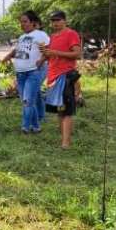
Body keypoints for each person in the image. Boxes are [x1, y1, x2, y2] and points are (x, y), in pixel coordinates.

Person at [1, 10, 50, 134]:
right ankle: (36, 126)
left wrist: (42, 59)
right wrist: (7, 56)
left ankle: (25, 127)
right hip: (20, 73)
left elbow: (48, 50)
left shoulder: (40, 35)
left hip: (33, 72)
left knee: (27, 101)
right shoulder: (22, 37)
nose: (22, 24)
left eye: (25, 21)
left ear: (33, 22)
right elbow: (17, 51)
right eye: (21, 22)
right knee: (27, 100)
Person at [41, 10, 81, 149]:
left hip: (65, 76)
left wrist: (54, 52)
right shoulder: (52, 37)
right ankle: (63, 136)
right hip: (52, 77)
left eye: (58, 20)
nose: (55, 23)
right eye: (53, 20)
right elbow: (50, 54)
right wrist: (42, 58)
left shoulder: (71, 34)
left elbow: (77, 54)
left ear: (65, 20)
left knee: (66, 111)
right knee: (59, 109)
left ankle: (66, 143)